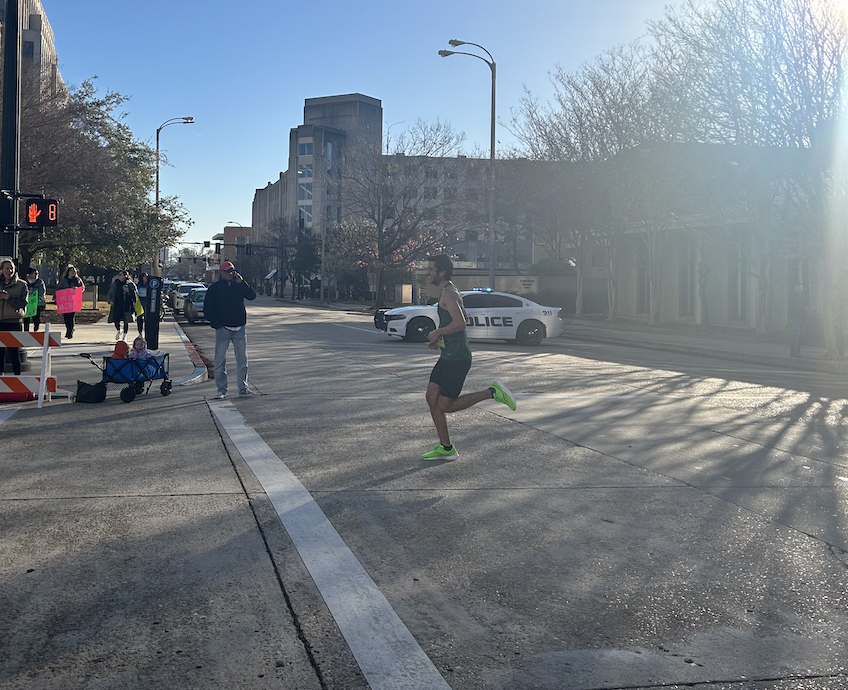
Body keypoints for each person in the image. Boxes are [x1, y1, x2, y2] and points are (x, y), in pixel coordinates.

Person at [422, 254, 516, 460]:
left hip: (457, 358)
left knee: (446, 405)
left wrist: (438, 332)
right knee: (431, 398)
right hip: (448, 355)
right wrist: (441, 337)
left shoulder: (448, 293)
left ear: (442, 272)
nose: (427, 272)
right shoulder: (449, 291)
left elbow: (460, 323)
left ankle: (492, 392)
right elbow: (463, 319)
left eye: (431, 269)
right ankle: (446, 448)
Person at [204, 260, 257, 399]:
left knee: (242, 360)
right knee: (219, 361)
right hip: (223, 329)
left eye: (232, 270)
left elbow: (252, 296)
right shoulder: (214, 289)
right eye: (228, 271)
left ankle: (243, 389)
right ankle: (221, 390)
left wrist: (242, 282)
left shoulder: (239, 285)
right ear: (221, 273)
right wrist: (216, 323)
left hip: (239, 328)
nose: (231, 273)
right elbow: (208, 308)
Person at [0, 259, 28, 375]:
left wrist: (8, 298)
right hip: (0, 322)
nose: (9, 271)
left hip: (14, 322)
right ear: (1, 270)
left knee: (14, 352)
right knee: (0, 353)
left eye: (11, 268)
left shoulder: (22, 285)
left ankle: (18, 378)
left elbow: (23, 303)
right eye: (7, 268)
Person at [107, 270, 138, 341]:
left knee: (126, 321)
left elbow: (135, 295)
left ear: (125, 276)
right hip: (117, 304)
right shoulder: (115, 283)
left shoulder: (130, 284)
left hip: (126, 305)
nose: (119, 276)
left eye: (121, 275)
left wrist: (128, 291)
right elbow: (110, 293)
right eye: (119, 275)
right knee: (116, 320)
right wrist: (110, 300)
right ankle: (119, 330)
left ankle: (124, 336)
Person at [56, 264, 84, 340]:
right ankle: (68, 329)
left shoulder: (77, 280)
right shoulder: (64, 280)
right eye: (71, 271)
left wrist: (76, 288)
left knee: (71, 316)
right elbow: (58, 288)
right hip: (65, 302)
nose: (73, 273)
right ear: (68, 272)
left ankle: (70, 331)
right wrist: (56, 296)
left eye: (74, 271)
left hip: (73, 302)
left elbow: (82, 288)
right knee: (66, 317)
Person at [23, 267, 46, 332]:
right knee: (26, 318)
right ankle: (26, 331)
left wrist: (34, 292)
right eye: (34, 273)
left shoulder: (40, 282)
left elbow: (42, 291)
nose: (36, 275)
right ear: (29, 274)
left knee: (36, 318)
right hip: (27, 303)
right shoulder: (25, 282)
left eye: (37, 273)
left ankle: (36, 329)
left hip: (37, 303)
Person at [788, 283, 807, 358]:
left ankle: (798, 352)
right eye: (799, 288)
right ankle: (793, 352)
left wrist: (806, 309)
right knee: (795, 335)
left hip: (802, 318)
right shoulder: (793, 297)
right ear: (795, 288)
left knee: (800, 336)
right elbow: (792, 308)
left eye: (801, 288)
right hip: (795, 318)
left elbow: (805, 305)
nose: (800, 289)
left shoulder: (803, 297)